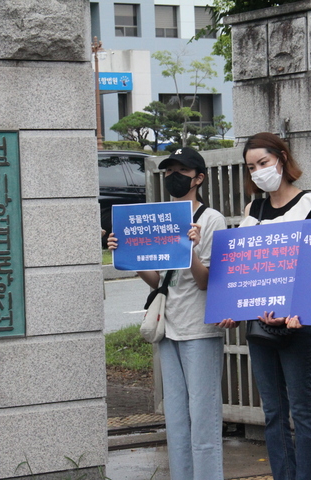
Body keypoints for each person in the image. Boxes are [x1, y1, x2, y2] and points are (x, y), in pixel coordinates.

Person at [107, 147, 227, 480]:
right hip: (168, 328)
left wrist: (188, 249)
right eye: (169, 171)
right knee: (175, 420)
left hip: (200, 330)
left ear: (198, 178)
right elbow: (157, 279)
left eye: (181, 172)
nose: (174, 177)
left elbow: (205, 282)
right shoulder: (162, 217)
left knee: (203, 419)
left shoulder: (211, 219)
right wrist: (128, 256)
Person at [220, 132, 311, 480]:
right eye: (251, 167)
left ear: (282, 159)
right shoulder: (253, 209)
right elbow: (245, 269)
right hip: (259, 326)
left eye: (263, 163)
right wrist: (233, 307)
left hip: (298, 324)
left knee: (302, 409)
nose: (258, 171)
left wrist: (298, 310)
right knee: (273, 412)